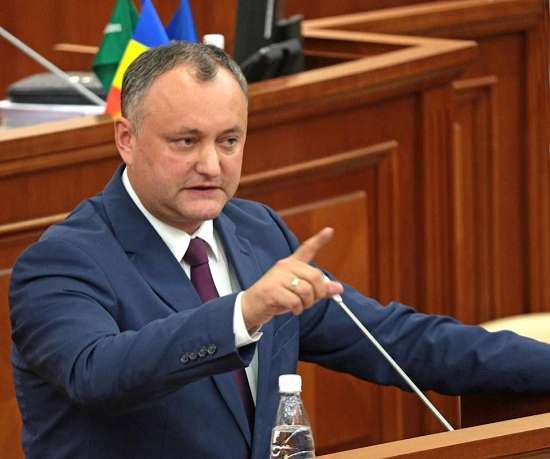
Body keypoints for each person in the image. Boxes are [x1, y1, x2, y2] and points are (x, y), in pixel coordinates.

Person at [9, 42, 550, 459]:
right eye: (186, 141)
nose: (211, 165)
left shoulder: (258, 233)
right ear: (126, 139)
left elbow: (391, 340)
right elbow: (98, 374)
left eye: (229, 140)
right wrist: (242, 314)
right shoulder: (62, 261)